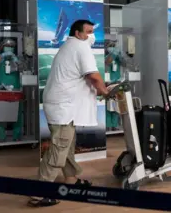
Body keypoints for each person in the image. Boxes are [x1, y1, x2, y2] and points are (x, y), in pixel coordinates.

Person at [29, 20, 110, 207]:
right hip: (62, 106)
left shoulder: (70, 45)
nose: (92, 35)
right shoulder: (81, 47)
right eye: (88, 32)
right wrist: (106, 92)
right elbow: (93, 76)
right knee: (59, 148)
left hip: (60, 104)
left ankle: (71, 180)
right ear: (78, 33)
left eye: (93, 31)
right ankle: (38, 193)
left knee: (67, 145)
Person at [0, 39, 23, 142]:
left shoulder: (17, 59)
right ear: (2, 48)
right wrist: (2, 56)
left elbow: (24, 67)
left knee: (17, 114)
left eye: (11, 46)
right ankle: (1, 137)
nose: (9, 47)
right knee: (1, 114)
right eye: (7, 46)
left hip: (16, 90)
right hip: (2, 89)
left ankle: (17, 137)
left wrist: (16, 60)